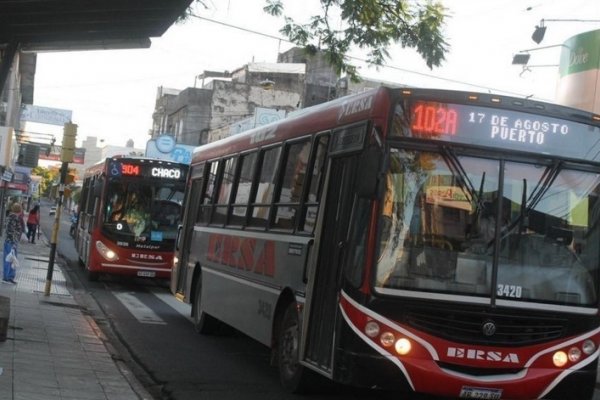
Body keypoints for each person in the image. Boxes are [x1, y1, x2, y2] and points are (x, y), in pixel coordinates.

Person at [3, 202, 24, 283]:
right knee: (10, 259)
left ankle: (8, 277)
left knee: (9, 259)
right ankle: (8, 277)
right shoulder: (14, 218)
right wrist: (14, 242)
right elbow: (12, 231)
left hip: (8, 241)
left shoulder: (10, 217)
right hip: (11, 242)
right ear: (19, 210)